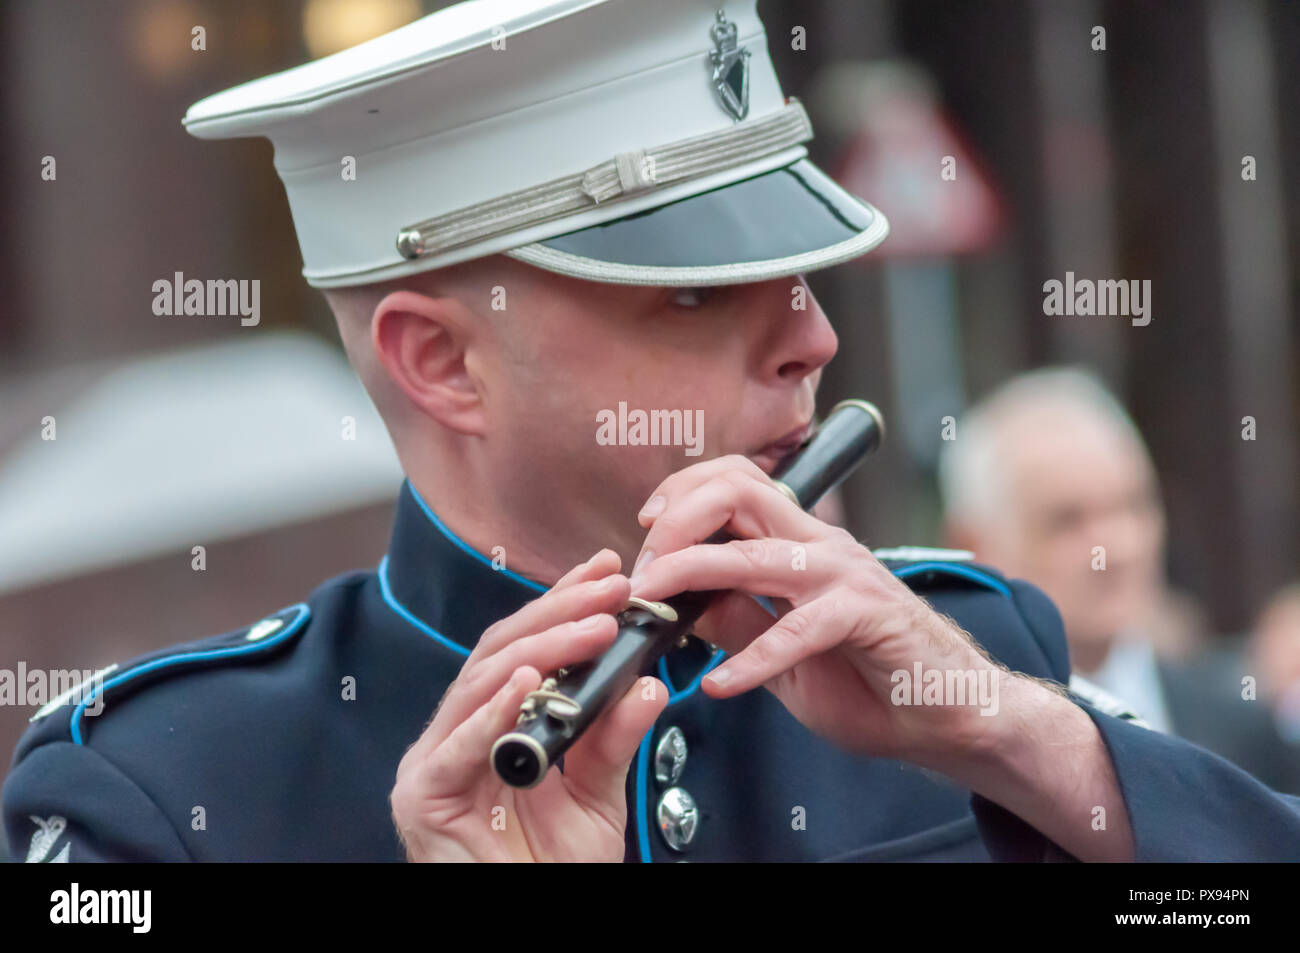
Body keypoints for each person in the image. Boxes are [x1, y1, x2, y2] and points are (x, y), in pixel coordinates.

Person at [6, 0, 1300, 863]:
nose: (814, 339)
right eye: (693, 292)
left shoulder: (975, 654)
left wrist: (1031, 743)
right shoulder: (157, 795)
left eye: (805, 273)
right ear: (441, 360)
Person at [937, 367, 1300, 792]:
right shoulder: (938, 755)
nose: (1117, 549)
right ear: (973, 545)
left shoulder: (1245, 728)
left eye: (1134, 506)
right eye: (1067, 521)